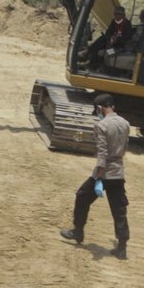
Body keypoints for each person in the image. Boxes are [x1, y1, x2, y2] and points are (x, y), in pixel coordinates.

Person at [59, 94, 130, 259]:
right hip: (118, 172)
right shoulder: (125, 123)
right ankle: (122, 247)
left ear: (100, 108)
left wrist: (98, 176)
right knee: (119, 209)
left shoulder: (101, 125)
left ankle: (78, 231)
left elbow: (103, 153)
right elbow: (125, 148)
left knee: (82, 196)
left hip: (104, 172)